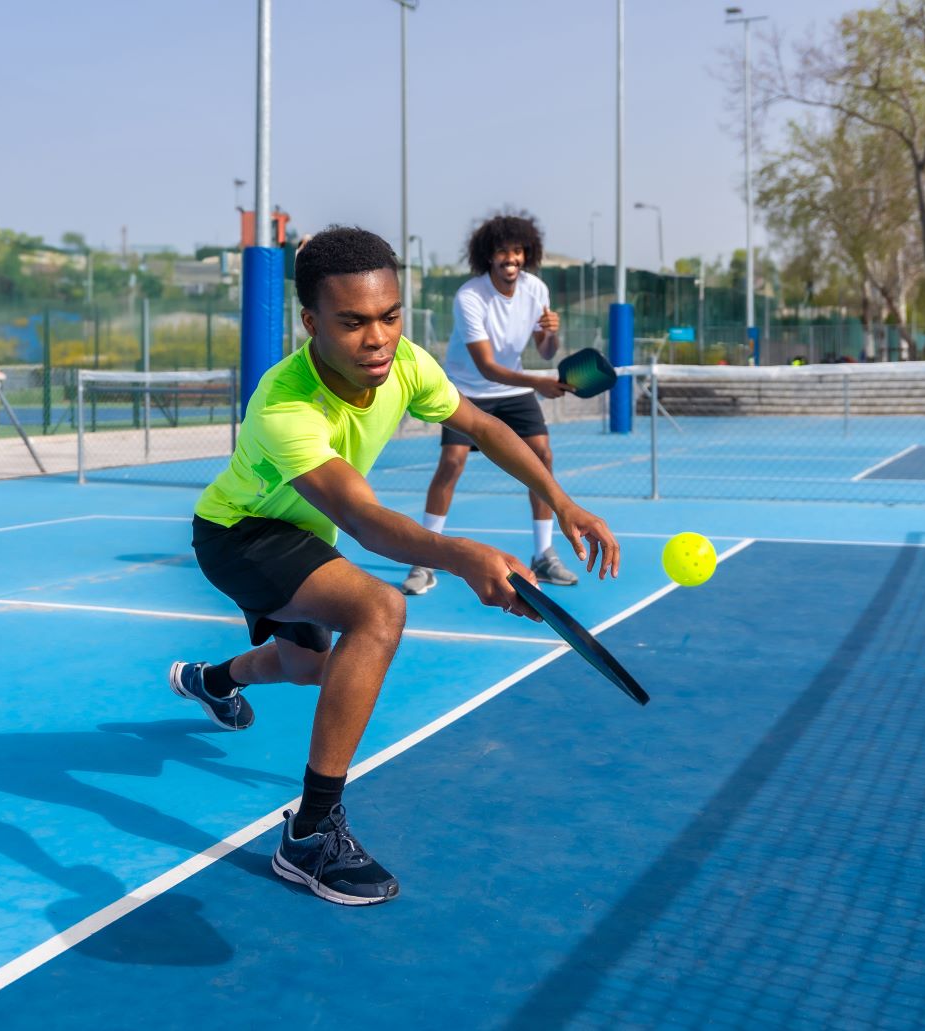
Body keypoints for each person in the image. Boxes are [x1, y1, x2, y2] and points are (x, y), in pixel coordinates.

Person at [170, 227, 618, 906]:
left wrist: (564, 501)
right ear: (311, 323)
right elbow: (363, 519)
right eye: (352, 323)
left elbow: (486, 425)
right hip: (239, 534)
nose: (377, 338)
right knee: (380, 608)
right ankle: (310, 835)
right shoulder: (285, 402)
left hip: (299, 533)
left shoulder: (405, 364)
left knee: (309, 667)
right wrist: (466, 556)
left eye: (389, 315)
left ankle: (212, 679)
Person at [401, 213, 578, 597]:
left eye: (517, 251)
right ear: (488, 256)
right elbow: (487, 367)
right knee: (452, 462)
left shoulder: (536, 290)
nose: (511, 258)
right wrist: (540, 383)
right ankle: (425, 558)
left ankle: (543, 554)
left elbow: (545, 351)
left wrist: (551, 335)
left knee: (542, 456)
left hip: (512, 390)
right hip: (467, 388)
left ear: (526, 254)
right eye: (502, 252)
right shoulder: (470, 297)